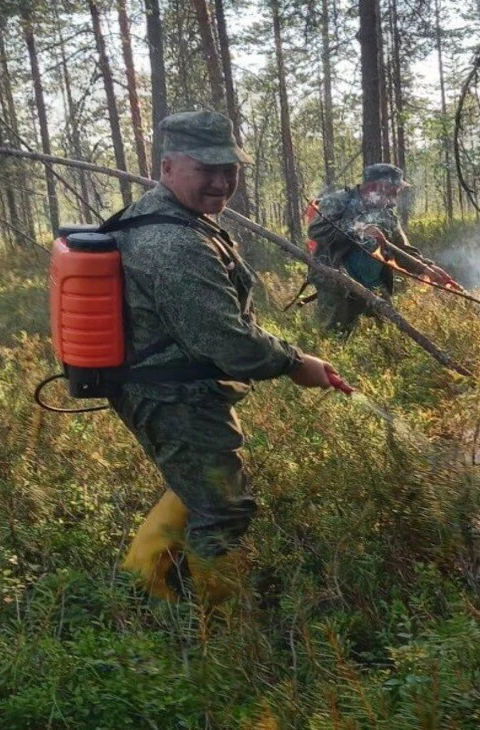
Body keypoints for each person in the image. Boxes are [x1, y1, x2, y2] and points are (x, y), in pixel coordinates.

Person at [113, 110, 341, 603]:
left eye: (230, 170)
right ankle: (226, 639)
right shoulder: (171, 241)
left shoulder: (175, 218)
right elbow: (225, 341)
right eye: (206, 170)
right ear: (169, 167)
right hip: (173, 396)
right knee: (223, 510)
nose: (221, 183)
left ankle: (142, 580)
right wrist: (294, 362)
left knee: (195, 486)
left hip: (168, 387)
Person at [306, 163, 455, 333]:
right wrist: (359, 229)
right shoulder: (338, 201)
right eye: (394, 189)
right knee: (333, 336)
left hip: (373, 284)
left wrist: (427, 268)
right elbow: (316, 230)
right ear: (378, 186)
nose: (396, 195)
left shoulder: (386, 213)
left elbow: (401, 249)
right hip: (337, 284)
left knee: (389, 332)